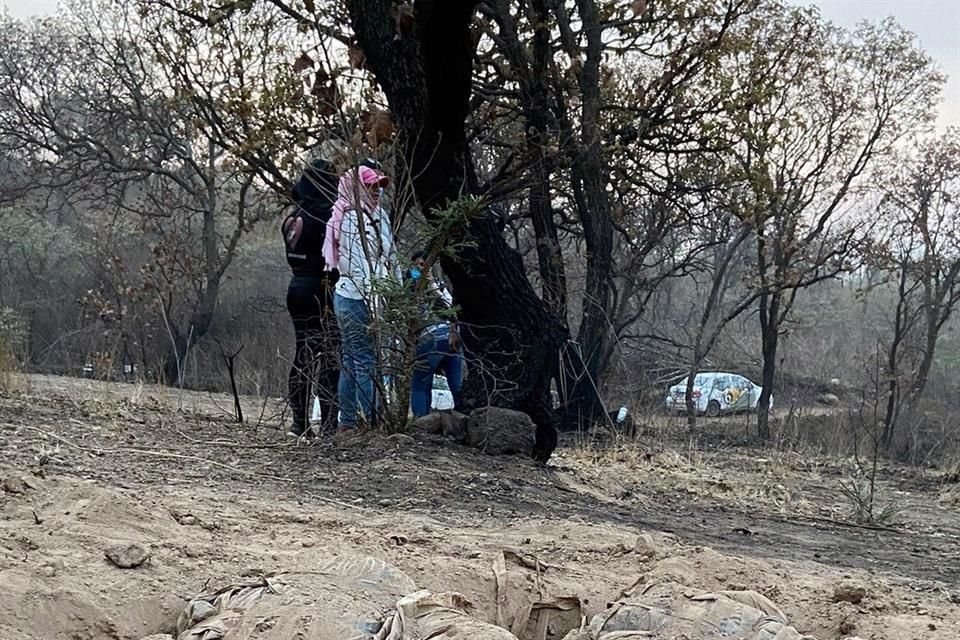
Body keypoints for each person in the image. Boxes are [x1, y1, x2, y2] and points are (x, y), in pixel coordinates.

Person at [323, 164, 398, 429]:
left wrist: (396, 295)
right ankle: (366, 421)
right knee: (363, 360)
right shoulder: (353, 219)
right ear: (356, 188)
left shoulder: (378, 216)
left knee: (353, 360)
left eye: (379, 186)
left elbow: (391, 259)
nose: (377, 191)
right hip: (357, 297)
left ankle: (350, 421)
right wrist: (376, 303)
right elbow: (359, 265)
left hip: (361, 296)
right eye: (370, 186)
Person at [282, 158, 340, 439]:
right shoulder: (326, 216)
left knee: (303, 354)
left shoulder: (293, 217)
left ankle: (299, 422)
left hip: (296, 287)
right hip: (322, 290)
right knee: (329, 356)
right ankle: (328, 424)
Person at [407, 252, 463, 418]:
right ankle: (461, 417)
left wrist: (432, 284)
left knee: (420, 384)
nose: (421, 269)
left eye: (424, 265)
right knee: (456, 384)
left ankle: (421, 420)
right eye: (418, 265)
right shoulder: (411, 288)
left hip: (435, 335)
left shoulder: (436, 285)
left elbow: (451, 307)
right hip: (449, 335)